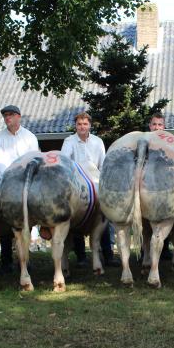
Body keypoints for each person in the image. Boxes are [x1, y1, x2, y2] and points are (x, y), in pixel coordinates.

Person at [60, 112, 118, 267]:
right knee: (76, 218)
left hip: (96, 184)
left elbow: (103, 165)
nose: (82, 127)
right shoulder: (69, 141)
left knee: (104, 216)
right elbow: (65, 162)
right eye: (79, 124)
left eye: (85, 124)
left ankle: (108, 254)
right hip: (78, 185)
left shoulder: (98, 142)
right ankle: (81, 257)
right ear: (75, 126)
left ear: (90, 125)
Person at [0, 104, 41, 273]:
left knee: (27, 221)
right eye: (5, 115)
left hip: (27, 181)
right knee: (6, 220)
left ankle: (26, 259)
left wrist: (22, 179)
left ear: (19, 117)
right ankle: (5, 260)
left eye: (11, 115)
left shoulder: (30, 137)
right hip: (6, 181)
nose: (8, 118)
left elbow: (33, 159)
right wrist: (11, 179)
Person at [147, 111, 172, 260]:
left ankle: (164, 248)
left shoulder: (169, 142)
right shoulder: (143, 141)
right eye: (154, 124)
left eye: (160, 124)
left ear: (164, 126)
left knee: (164, 216)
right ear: (150, 126)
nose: (157, 127)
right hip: (147, 186)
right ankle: (146, 252)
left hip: (163, 186)